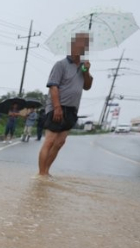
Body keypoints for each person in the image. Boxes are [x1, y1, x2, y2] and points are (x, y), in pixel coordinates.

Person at [38, 32, 93, 176]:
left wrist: (87, 72)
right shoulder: (60, 65)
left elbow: (87, 86)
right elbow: (53, 86)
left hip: (72, 108)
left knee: (60, 142)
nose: (82, 47)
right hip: (57, 106)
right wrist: (57, 107)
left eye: (85, 45)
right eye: (80, 44)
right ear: (72, 46)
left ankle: (46, 172)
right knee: (50, 141)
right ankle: (41, 173)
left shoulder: (83, 67)